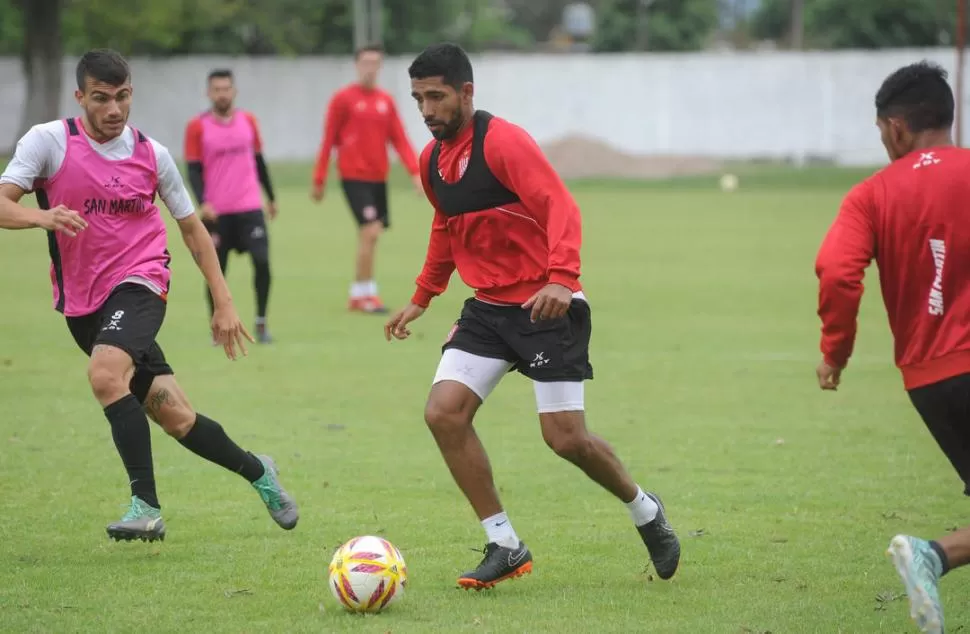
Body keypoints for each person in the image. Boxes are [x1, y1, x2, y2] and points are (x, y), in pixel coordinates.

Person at [384, 42, 681, 590]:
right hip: (487, 311)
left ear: (467, 93)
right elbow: (446, 227)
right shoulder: (431, 163)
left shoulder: (504, 143)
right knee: (443, 413)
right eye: (418, 98)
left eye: (436, 97)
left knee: (566, 439)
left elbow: (560, 206)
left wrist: (562, 279)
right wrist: (423, 296)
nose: (426, 110)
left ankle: (645, 510)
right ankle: (505, 544)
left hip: (545, 306)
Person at [0, 49, 299, 542]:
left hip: (141, 282)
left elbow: (194, 230)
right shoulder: (49, 142)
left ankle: (146, 508)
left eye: (123, 96)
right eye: (101, 98)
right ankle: (259, 472)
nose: (114, 109)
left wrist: (224, 302)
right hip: (83, 302)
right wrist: (43, 216)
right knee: (175, 416)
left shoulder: (152, 154)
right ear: (80, 97)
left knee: (103, 374)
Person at [815, 61, 970, 634]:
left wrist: (837, 352)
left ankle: (937, 557)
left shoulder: (871, 195)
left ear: (896, 129)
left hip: (928, 379)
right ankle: (936, 555)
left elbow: (836, 273)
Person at [311, 44, 422, 314]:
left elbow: (399, 138)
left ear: (380, 66)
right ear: (357, 65)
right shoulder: (343, 99)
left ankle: (358, 294)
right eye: (365, 62)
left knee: (371, 235)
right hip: (354, 176)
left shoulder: (386, 101)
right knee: (370, 231)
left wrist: (416, 172)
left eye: (375, 63)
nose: (370, 68)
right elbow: (329, 139)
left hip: (378, 178)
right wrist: (319, 177)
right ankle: (367, 293)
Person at [184, 69, 278, 344]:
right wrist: (203, 203)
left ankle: (261, 323)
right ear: (208, 93)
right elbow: (193, 169)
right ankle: (218, 328)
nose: (222, 94)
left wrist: (270, 197)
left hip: (250, 207)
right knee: (215, 271)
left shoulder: (248, 121)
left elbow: (259, 161)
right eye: (217, 89)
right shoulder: (197, 126)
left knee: (262, 262)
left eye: (226, 88)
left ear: (234, 91)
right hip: (218, 212)